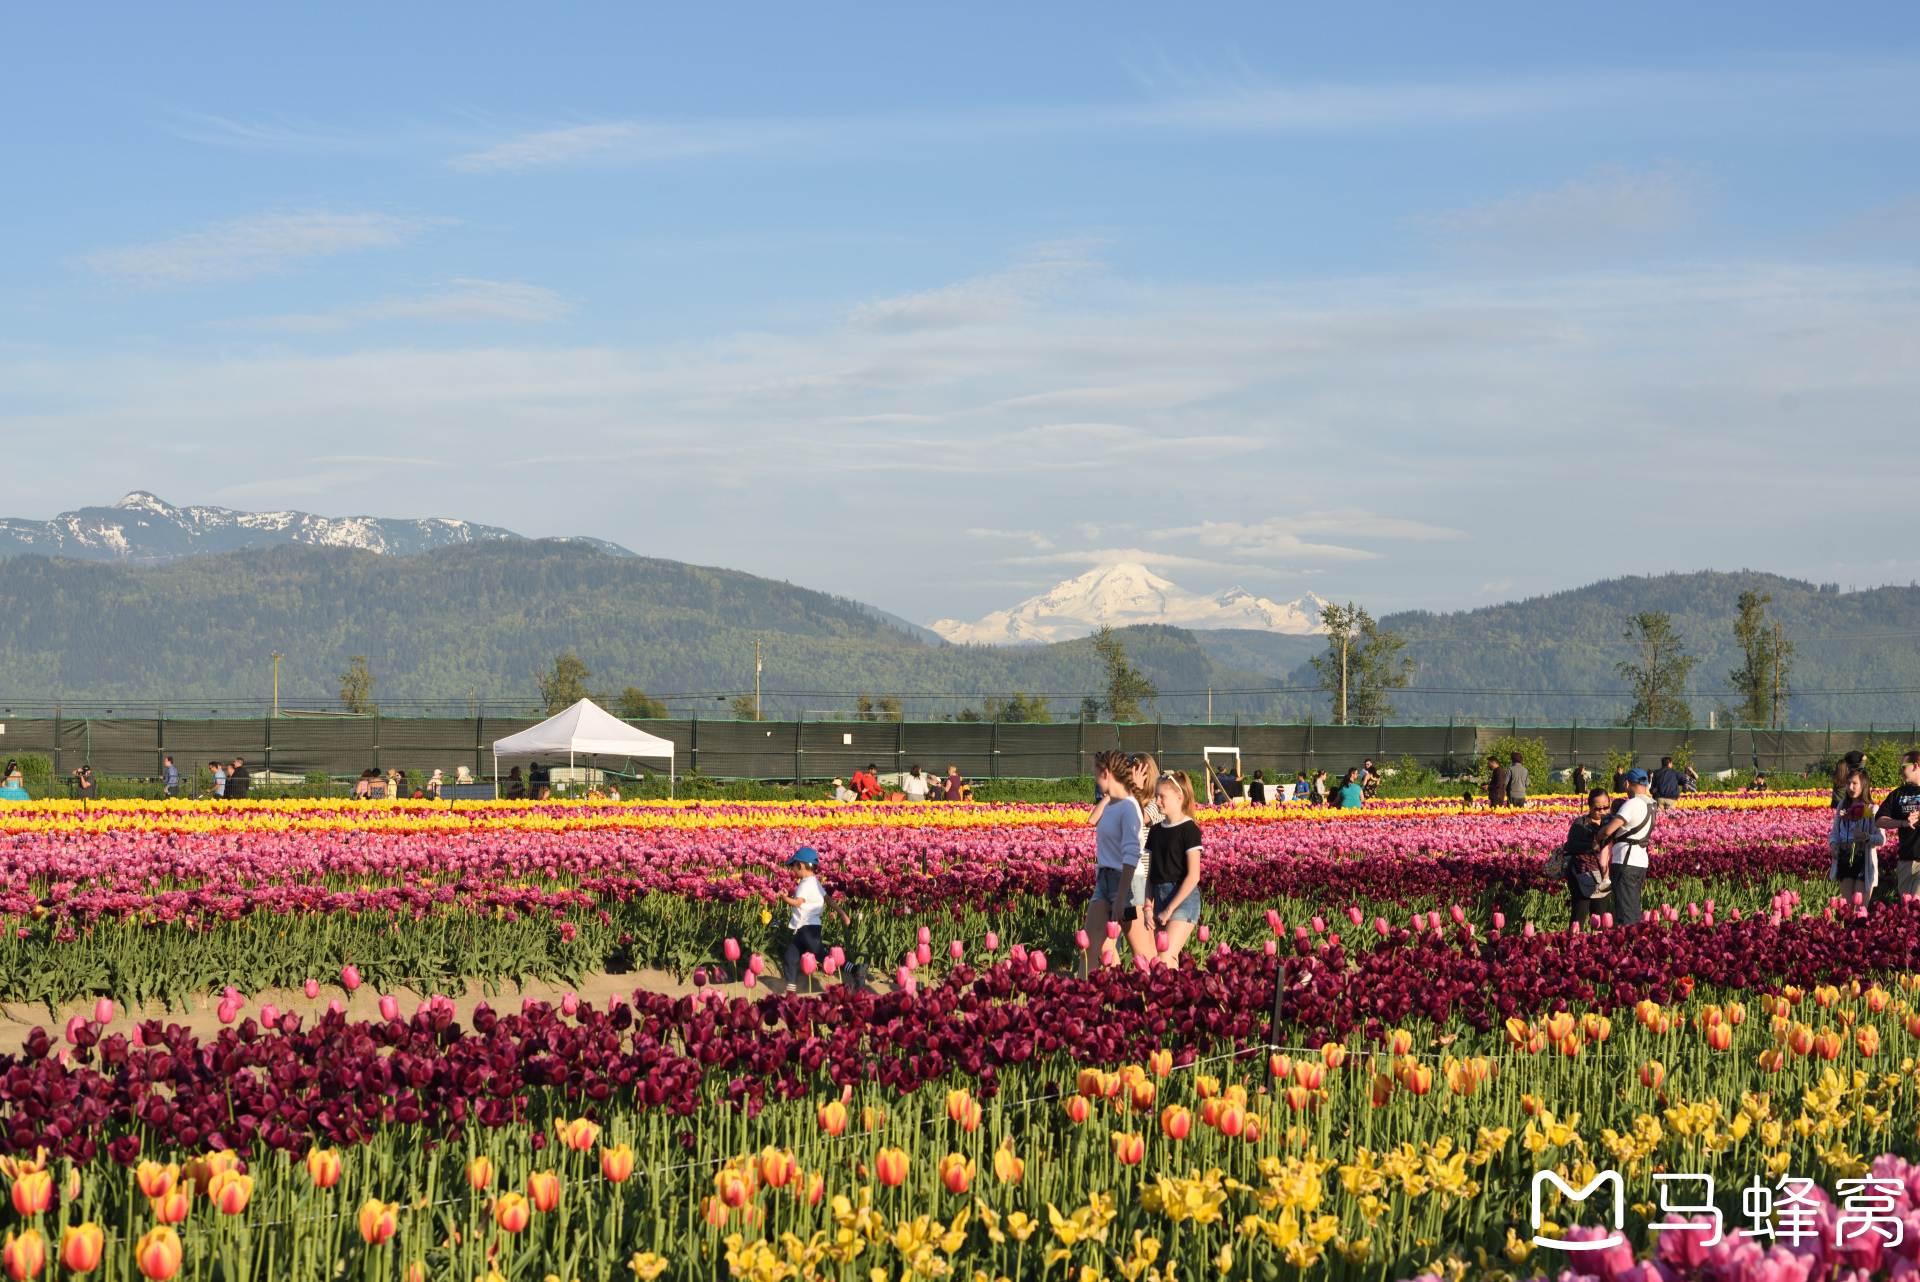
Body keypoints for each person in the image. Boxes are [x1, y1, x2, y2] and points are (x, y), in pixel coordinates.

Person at [1079, 749, 1142, 976]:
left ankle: (1159, 1000)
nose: (1095, 780)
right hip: (1104, 880)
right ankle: (1081, 1000)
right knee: (1087, 948)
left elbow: (1132, 853)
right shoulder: (1112, 804)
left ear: (1106, 773)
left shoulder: (1128, 806)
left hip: (1126, 883)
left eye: (1096, 775)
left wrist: (1122, 897)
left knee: (1143, 955)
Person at [1141, 771, 1204, 965]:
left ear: (1179, 798)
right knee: (1162, 960)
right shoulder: (1156, 831)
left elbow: (1194, 876)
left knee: (1165, 957)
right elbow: (1151, 875)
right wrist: (1147, 908)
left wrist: (1169, 909)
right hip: (1159, 898)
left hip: (1183, 899)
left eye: (1162, 797)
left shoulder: (1190, 829)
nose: (1157, 801)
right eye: (1156, 796)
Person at [1115, 753, 1165, 963]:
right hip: (1123, 873)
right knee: (1113, 934)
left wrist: (1132, 790)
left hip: (1141, 879)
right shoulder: (1129, 801)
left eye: (1136, 773)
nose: (1130, 778)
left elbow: (1137, 818)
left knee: (1144, 943)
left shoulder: (1155, 804)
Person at [1591, 768, 1656, 925]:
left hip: (1625, 861)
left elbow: (1608, 830)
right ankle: (1639, 943)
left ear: (1627, 783)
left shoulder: (1633, 803)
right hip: (1640, 861)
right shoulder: (1651, 804)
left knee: (1625, 912)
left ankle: (1630, 945)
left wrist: (1598, 837)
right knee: (1633, 907)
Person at [1830, 769, 1883, 908]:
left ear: (1864, 785)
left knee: (1860, 908)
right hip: (1844, 858)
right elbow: (1835, 831)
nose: (1850, 787)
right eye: (1848, 783)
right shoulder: (1842, 806)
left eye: (1855, 783)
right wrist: (1833, 845)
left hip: (1863, 860)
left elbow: (1881, 839)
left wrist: (1865, 837)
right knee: (1847, 908)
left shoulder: (1873, 809)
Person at [1561, 789, 1614, 930]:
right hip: (1580, 874)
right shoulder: (1581, 823)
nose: (1602, 811)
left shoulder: (1612, 823)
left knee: (1600, 916)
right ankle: (1575, 946)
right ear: (1590, 807)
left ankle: (1598, 947)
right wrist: (1593, 846)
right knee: (1579, 914)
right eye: (1598, 808)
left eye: (1606, 807)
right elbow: (1571, 845)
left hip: (1603, 875)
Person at [780, 846, 828, 992]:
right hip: (804, 928)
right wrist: (842, 914)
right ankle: (791, 990)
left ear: (800, 865)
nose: (793, 870)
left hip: (808, 927)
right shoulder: (815, 882)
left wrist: (784, 898)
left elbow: (797, 902)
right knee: (790, 957)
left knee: (821, 955)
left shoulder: (805, 885)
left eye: (794, 866)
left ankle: (855, 970)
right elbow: (828, 899)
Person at [1875, 750, 1920, 899]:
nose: (1900, 772)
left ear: (1915, 766)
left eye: (1903, 767)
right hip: (1905, 861)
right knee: (1907, 910)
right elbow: (1880, 820)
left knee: (1916, 903)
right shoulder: (1898, 794)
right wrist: (1902, 823)